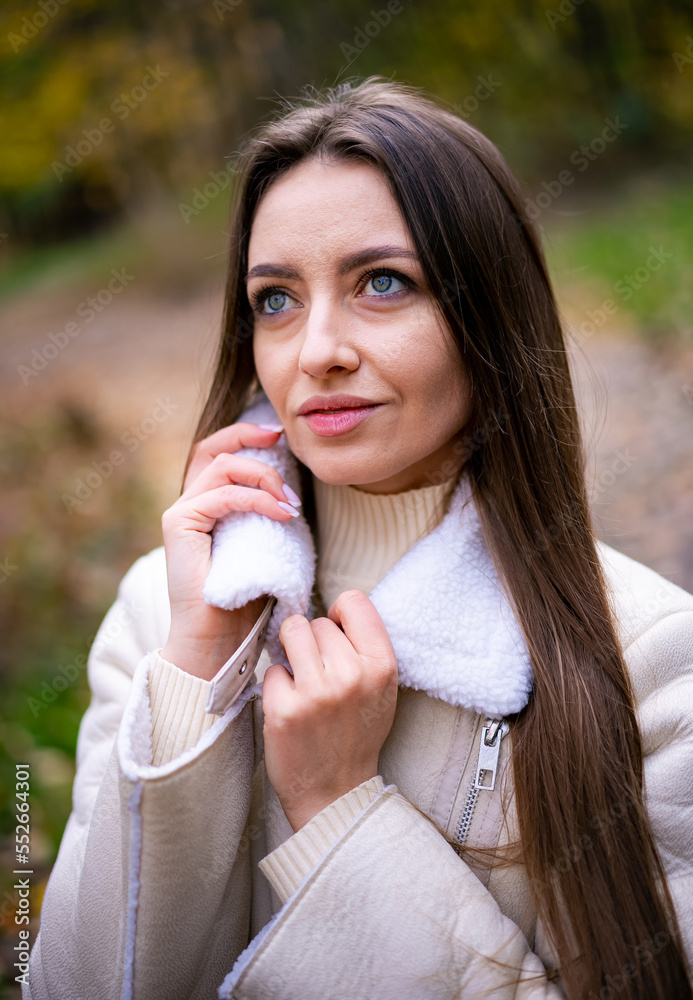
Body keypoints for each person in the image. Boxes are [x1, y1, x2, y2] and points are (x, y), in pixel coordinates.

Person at [24, 77, 693, 1000]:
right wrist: (198, 675)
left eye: (383, 283)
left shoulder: (653, 661)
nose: (316, 351)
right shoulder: (162, 612)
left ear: (489, 316)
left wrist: (339, 811)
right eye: (276, 300)